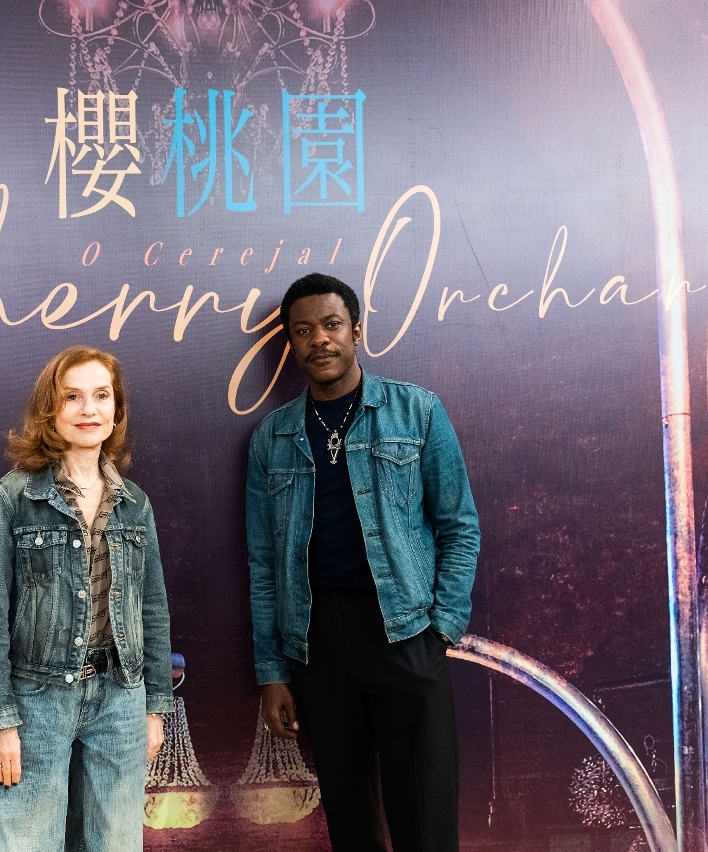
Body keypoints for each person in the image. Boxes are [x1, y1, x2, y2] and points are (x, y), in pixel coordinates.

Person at [246, 273, 480, 852]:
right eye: (303, 331)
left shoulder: (417, 411)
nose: (318, 340)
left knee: (426, 820)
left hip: (404, 632)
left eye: (331, 325)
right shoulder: (272, 438)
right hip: (318, 644)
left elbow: (459, 526)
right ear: (291, 344)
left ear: (355, 330)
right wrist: (273, 672)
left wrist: (442, 629)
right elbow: (263, 563)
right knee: (351, 823)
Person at [0, 345, 173, 852]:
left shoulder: (134, 503)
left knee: (115, 843)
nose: (88, 409)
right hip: (36, 698)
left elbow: (152, 610)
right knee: (24, 842)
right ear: (50, 411)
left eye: (101, 396)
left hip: (120, 696)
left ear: (116, 410)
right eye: (72, 397)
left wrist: (154, 707)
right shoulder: (14, 498)